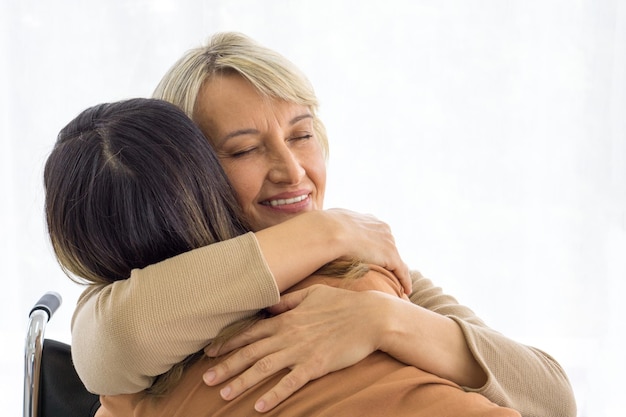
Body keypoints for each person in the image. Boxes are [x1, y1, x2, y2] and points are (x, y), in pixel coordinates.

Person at [68, 32, 576, 416]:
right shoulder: (155, 287)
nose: (292, 171)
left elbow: (552, 396)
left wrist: (383, 321)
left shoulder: (365, 265)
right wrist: (328, 229)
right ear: (189, 170)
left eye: (302, 135)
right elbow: (113, 344)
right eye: (244, 149)